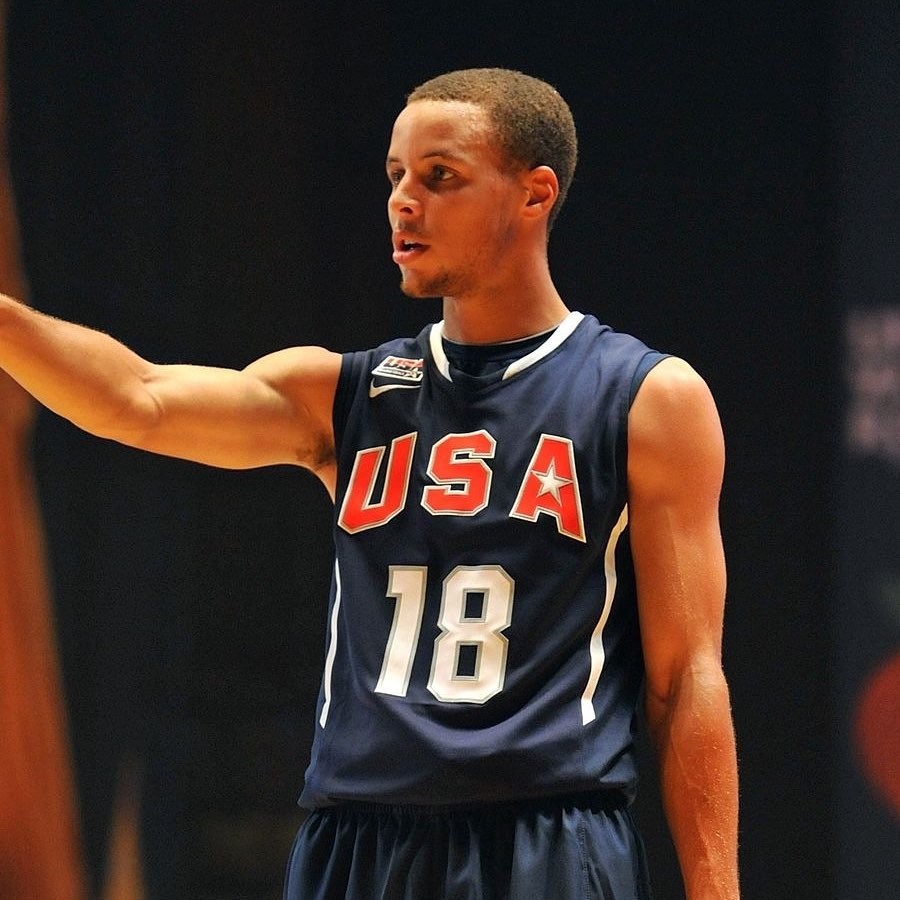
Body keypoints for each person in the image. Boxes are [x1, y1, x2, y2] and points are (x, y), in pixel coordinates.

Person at [0, 68, 739, 898]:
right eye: (395, 175)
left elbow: (686, 678)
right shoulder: (346, 394)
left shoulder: (644, 398)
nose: (403, 202)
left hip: (549, 836)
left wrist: (716, 890)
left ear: (535, 194)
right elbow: (135, 400)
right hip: (358, 840)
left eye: (440, 176)